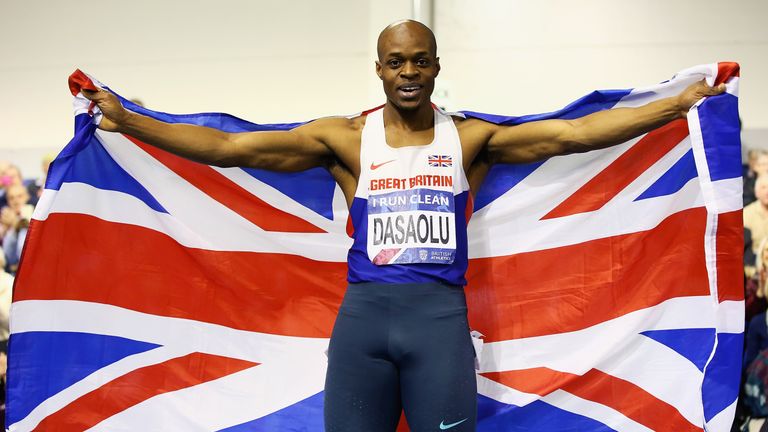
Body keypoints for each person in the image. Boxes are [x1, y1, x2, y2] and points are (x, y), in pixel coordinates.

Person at [82, 20, 725, 432]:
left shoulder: (470, 140)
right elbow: (227, 150)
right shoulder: (347, 139)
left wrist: (678, 104)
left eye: (420, 61)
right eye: (396, 62)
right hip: (362, 325)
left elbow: (575, 133)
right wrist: (129, 120)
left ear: (437, 66)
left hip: (439, 326)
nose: (408, 73)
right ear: (380, 69)